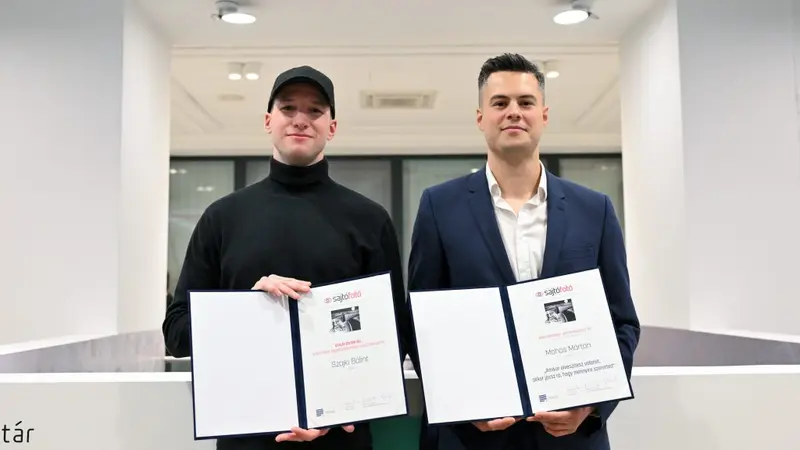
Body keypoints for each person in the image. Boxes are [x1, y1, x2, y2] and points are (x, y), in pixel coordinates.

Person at [163, 65, 411, 450]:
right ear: (268, 121)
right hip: (247, 436)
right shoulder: (223, 218)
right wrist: (249, 307)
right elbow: (177, 333)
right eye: (288, 107)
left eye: (315, 110)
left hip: (339, 438)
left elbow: (393, 335)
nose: (300, 119)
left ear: (331, 127)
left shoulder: (369, 219)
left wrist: (336, 411)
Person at [407, 53, 640, 450]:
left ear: (543, 115)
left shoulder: (594, 210)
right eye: (500, 103)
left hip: (568, 440)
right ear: (480, 117)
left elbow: (622, 322)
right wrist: (463, 406)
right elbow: (420, 320)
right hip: (472, 439)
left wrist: (591, 406)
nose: (513, 111)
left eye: (526, 102)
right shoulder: (438, 207)